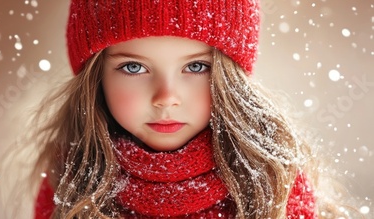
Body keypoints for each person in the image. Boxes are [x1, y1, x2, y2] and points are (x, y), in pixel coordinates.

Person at [19, 0, 350, 218]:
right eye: (134, 68)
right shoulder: (73, 185)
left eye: (196, 68)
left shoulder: (274, 186)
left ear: (230, 78)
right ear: (96, 78)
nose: (166, 97)